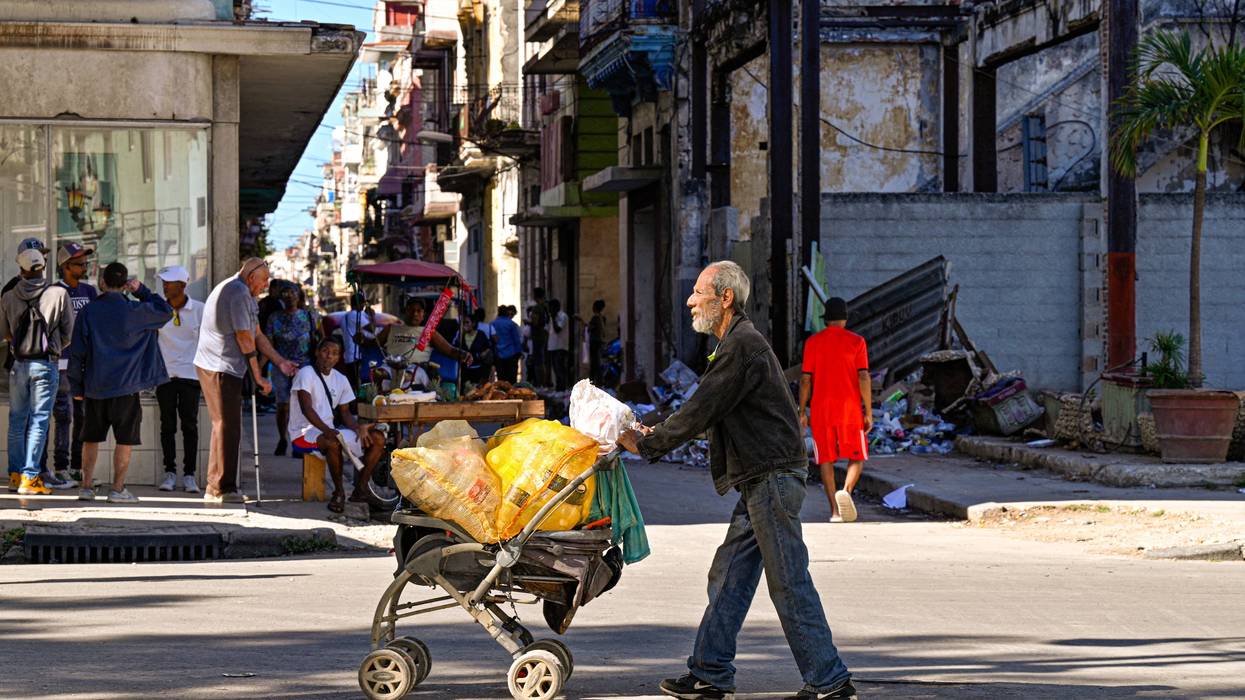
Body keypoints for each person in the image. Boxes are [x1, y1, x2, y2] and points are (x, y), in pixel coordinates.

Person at [617, 261, 856, 700]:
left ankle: (830, 681)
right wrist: (654, 432)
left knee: (788, 580)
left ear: (725, 298)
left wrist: (647, 443)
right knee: (729, 575)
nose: (690, 301)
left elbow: (702, 407)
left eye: (698, 292)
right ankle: (709, 672)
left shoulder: (741, 345)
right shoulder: (734, 343)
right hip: (758, 480)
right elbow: (706, 408)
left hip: (771, 479)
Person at [194, 258, 297, 504]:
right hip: (219, 366)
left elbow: (257, 334)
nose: (265, 286)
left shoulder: (246, 294)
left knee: (224, 425)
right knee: (228, 427)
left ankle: (214, 486)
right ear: (251, 276)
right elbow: (244, 339)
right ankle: (224, 488)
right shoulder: (238, 293)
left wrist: (280, 361)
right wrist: (258, 376)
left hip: (223, 366)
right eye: (263, 281)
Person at [68, 262, 173, 503]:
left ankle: (85, 487)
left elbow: (77, 353)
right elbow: (166, 310)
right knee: (125, 440)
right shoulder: (137, 311)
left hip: (95, 386)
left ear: (102, 282)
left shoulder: (89, 312)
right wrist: (142, 290)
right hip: (127, 388)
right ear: (125, 284)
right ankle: (117, 490)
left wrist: (77, 387)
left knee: (91, 438)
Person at [1, 246, 73, 496]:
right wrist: (52, 347)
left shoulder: (8, 296)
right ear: (43, 267)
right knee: (39, 421)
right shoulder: (58, 293)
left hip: (19, 364)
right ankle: (31, 477)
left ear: (21, 269)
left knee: (17, 421)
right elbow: (67, 334)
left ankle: (14, 475)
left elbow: (5, 333)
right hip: (45, 362)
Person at [289, 338, 386, 513]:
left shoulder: (340, 379)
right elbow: (307, 409)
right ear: (317, 352)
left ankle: (360, 489)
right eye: (325, 351)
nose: (329, 356)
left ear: (339, 357)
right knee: (332, 441)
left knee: (377, 438)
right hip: (304, 432)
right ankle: (339, 492)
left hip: (328, 431)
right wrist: (328, 430)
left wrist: (358, 429)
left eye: (334, 353)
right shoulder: (305, 374)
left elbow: (346, 413)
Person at [798, 297, 871, 524]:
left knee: (826, 460)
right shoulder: (857, 342)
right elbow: (863, 376)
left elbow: (805, 380)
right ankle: (846, 493)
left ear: (825, 319)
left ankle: (835, 512)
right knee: (857, 456)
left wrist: (802, 410)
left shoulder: (813, 343)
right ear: (845, 318)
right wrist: (868, 410)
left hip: (822, 409)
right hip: (849, 409)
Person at [41, 242, 97, 489]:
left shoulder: (90, 291)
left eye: (85, 263)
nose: (84, 267)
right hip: (60, 364)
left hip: (85, 366)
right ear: (65, 266)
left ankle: (77, 468)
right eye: (79, 263)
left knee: (83, 419)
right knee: (62, 417)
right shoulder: (53, 292)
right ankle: (60, 468)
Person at [155, 265, 205, 493]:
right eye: (164, 283)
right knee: (167, 426)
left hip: (190, 377)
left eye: (170, 283)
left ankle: (189, 475)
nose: (165, 286)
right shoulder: (159, 309)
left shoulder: (200, 311)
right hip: (165, 376)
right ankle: (170, 473)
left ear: (183, 286)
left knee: (190, 426)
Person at [265, 283, 318, 456]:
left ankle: (299, 442)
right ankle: (283, 438)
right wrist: (257, 370)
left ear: (299, 295)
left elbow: (319, 340)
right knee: (283, 405)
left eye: (292, 292)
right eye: (285, 292)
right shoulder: (274, 318)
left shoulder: (309, 316)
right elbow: (268, 346)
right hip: (281, 366)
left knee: (303, 405)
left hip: (304, 366)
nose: (289, 295)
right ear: (280, 297)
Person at [341, 291, 383, 389]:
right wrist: (372, 316)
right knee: (360, 386)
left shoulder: (345, 317)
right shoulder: (355, 315)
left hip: (349, 357)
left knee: (354, 386)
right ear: (361, 304)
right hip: (356, 357)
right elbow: (372, 329)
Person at [460, 313, 493, 386]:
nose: (465, 324)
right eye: (464, 322)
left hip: (478, 369)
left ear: (473, 323)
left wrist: (483, 354)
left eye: (467, 322)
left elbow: (488, 347)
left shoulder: (481, 334)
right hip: (465, 370)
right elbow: (456, 347)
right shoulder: (461, 336)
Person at [492, 305, 523, 383]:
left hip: (498, 354)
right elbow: (516, 339)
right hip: (511, 354)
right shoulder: (511, 324)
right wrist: (519, 352)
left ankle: (502, 394)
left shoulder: (492, 323)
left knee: (501, 378)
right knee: (511, 379)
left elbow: (491, 340)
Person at [546, 298, 570, 390]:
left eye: (550, 308)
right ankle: (558, 387)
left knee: (560, 369)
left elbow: (557, 330)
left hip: (560, 347)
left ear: (556, 307)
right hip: (552, 347)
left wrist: (552, 318)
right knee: (555, 369)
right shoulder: (553, 317)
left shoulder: (563, 316)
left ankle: (562, 388)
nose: (549, 310)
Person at [527, 288, 549, 387]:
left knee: (538, 362)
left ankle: (540, 383)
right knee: (544, 360)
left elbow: (535, 322)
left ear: (535, 296)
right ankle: (545, 383)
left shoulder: (537, 308)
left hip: (538, 336)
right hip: (545, 335)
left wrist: (528, 322)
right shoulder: (546, 306)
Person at [587, 299, 607, 384]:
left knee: (594, 363)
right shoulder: (602, 318)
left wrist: (581, 321)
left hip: (594, 342)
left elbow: (589, 328)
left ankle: (593, 381)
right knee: (598, 362)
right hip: (600, 341)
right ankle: (598, 381)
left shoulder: (595, 318)